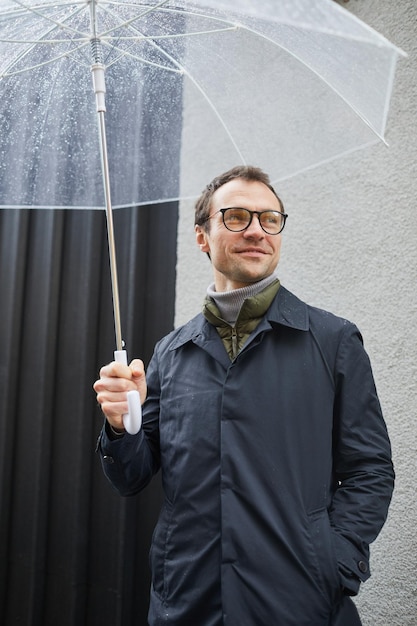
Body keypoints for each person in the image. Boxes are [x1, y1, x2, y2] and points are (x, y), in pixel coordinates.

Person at [94, 165, 394, 626]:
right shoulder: (170, 353)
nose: (256, 230)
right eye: (236, 217)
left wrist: (334, 561)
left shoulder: (332, 340)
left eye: (269, 219)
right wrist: (120, 423)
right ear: (202, 236)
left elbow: (369, 469)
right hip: (188, 601)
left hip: (300, 603)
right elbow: (131, 475)